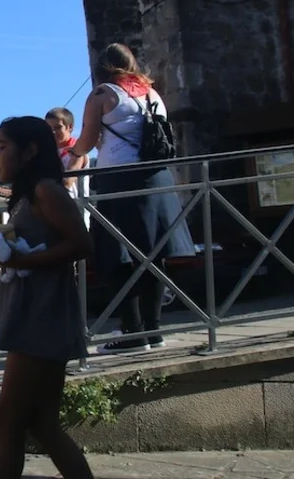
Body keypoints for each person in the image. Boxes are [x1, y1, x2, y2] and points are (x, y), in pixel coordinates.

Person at [69, 43, 195, 354]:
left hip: (119, 180)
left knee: (119, 257)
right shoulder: (152, 92)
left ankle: (132, 333)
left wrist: (71, 153)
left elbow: (87, 140)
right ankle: (153, 331)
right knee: (153, 256)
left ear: (102, 67)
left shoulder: (103, 94)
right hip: (157, 177)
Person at [0, 117, 93, 479]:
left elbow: (82, 244)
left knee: (9, 421)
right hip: (33, 315)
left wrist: (23, 260)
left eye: (3, 147)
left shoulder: (46, 191)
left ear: (30, 150)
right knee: (42, 424)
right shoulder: (25, 196)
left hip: (43, 318)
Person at [45, 108, 89, 200]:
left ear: (70, 127)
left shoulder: (77, 150)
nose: (53, 132)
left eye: (58, 127)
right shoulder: (47, 152)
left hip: (74, 204)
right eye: (49, 128)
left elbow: (67, 182)